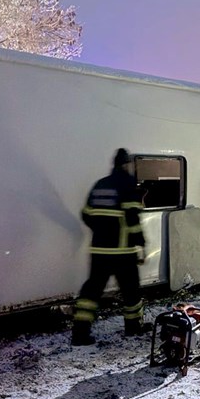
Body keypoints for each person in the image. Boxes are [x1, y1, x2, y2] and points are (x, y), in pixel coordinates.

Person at [71, 148, 149, 346]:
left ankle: (80, 334)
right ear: (126, 164)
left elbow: (86, 213)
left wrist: (100, 230)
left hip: (99, 250)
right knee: (131, 291)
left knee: (92, 291)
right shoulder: (128, 183)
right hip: (123, 252)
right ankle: (133, 327)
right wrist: (140, 242)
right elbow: (132, 218)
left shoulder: (100, 184)